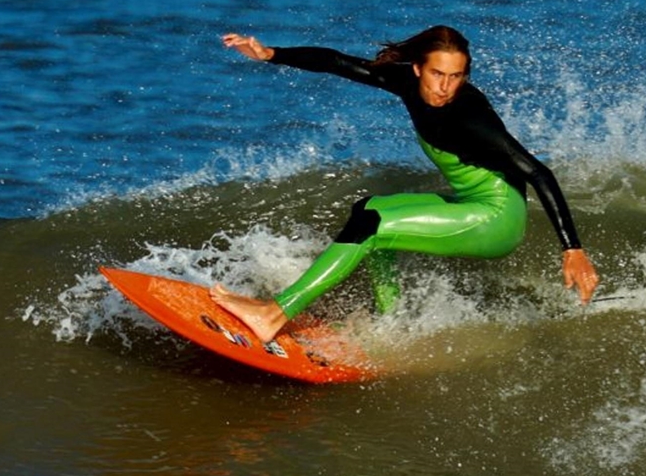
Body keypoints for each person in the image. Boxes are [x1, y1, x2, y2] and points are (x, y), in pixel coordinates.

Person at [212, 26, 599, 343]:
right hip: (471, 202)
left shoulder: (470, 118)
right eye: (437, 74)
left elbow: (538, 172)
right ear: (417, 69)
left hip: (495, 219)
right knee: (368, 209)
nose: (444, 87)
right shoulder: (407, 84)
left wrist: (573, 249)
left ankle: (274, 313)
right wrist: (271, 54)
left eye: (456, 77)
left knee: (371, 227)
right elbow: (338, 62)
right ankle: (390, 320)